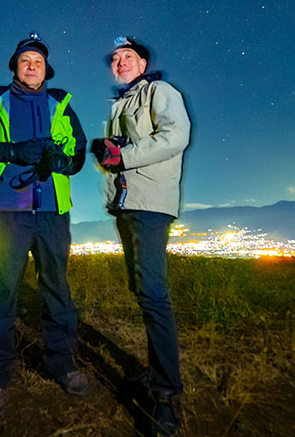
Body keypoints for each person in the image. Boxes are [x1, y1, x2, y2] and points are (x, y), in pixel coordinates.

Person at [0, 32, 89, 417]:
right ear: (15, 68)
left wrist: (62, 162)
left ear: (46, 68)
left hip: (53, 213)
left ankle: (61, 363)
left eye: (37, 60)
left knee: (57, 290)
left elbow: (79, 154)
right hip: (9, 212)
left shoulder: (61, 105)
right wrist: (14, 152)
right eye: (24, 60)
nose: (31, 65)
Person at [90, 36, 191, 437]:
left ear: (143, 62)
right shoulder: (120, 106)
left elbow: (176, 136)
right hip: (128, 205)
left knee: (153, 294)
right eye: (114, 59)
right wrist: (108, 160)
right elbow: (117, 159)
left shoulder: (160, 91)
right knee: (142, 291)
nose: (119, 62)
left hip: (151, 205)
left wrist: (123, 155)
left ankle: (167, 396)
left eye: (127, 56)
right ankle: (155, 377)